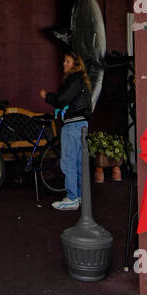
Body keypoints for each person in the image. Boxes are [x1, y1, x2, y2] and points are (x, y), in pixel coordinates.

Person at [40, 49, 92, 210]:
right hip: (82, 124)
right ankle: (81, 196)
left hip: (73, 125)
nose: (64, 64)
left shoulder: (74, 79)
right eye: (64, 61)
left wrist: (47, 96)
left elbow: (62, 100)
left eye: (67, 61)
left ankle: (71, 198)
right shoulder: (82, 80)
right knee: (78, 162)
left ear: (75, 65)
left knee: (68, 161)